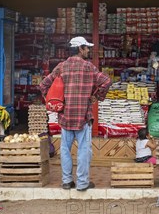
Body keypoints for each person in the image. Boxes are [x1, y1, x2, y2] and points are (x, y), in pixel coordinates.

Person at [39, 36, 112, 191]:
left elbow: (43, 84)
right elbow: (106, 81)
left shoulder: (61, 67)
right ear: (80, 49)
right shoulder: (88, 67)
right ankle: (82, 183)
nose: (88, 51)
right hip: (83, 117)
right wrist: (96, 97)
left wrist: (53, 101)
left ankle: (66, 181)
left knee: (65, 149)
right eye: (87, 48)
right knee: (84, 150)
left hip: (65, 116)